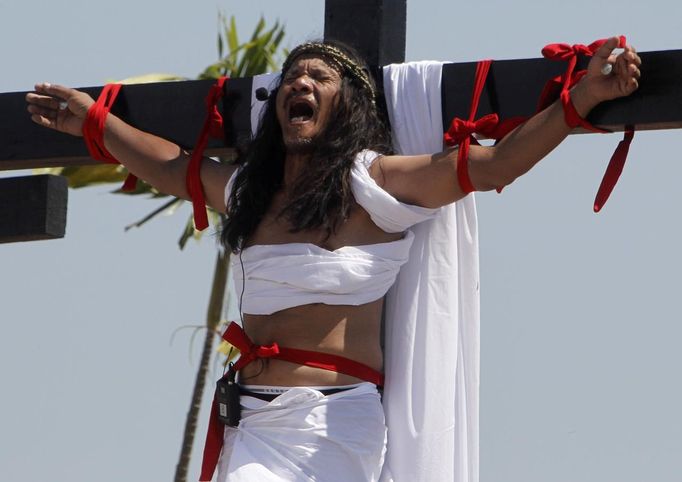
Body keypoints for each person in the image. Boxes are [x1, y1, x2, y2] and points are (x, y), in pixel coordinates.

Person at [26, 37, 641, 481]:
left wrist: (580, 99)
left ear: (348, 105)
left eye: (320, 78)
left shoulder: (374, 186)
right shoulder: (250, 192)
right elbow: (167, 165)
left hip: (333, 426)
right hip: (253, 422)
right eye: (295, 77)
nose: (302, 84)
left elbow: (496, 163)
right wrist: (96, 122)